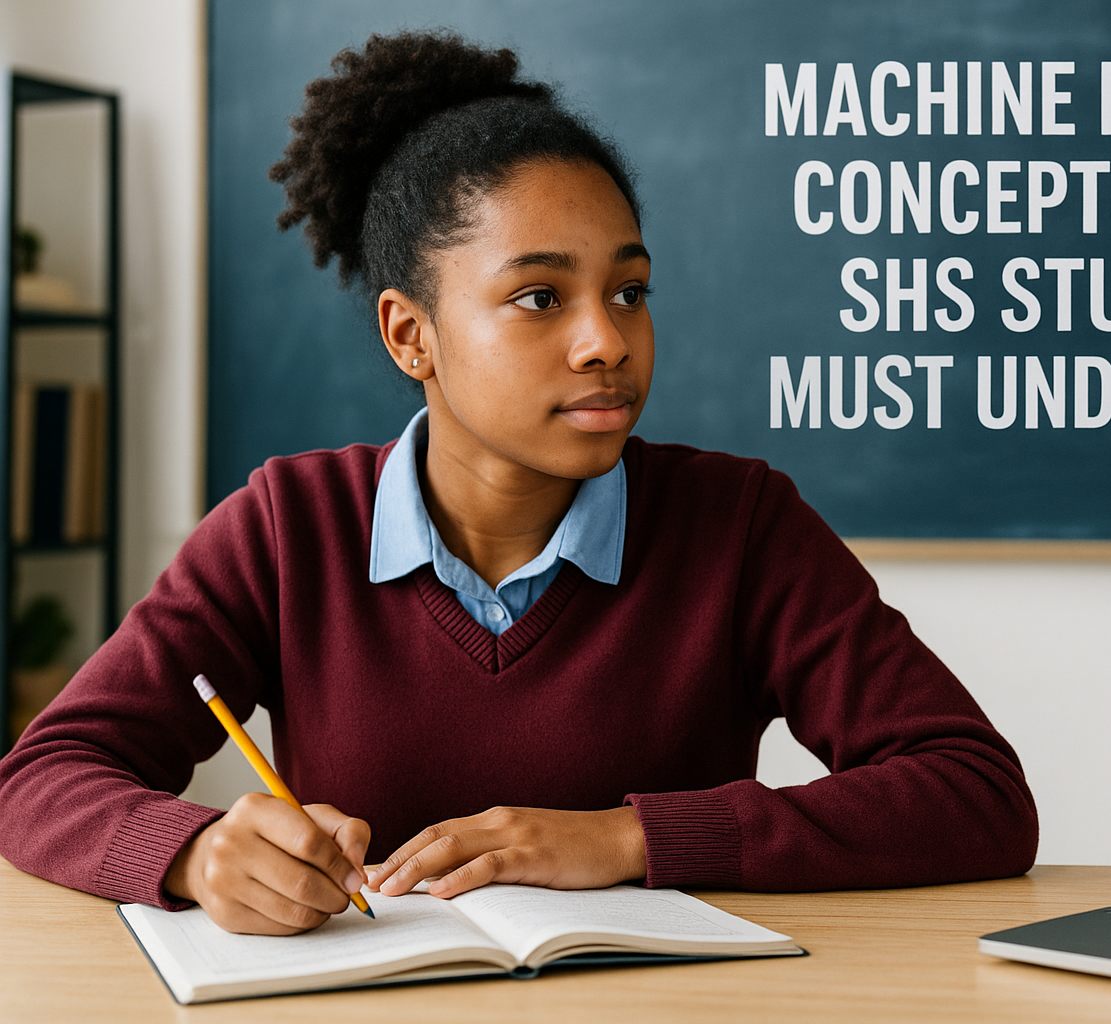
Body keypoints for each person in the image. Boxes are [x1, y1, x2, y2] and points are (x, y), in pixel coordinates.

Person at [0, 31, 1037, 936]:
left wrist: (630, 837)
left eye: (628, 291)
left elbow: (975, 794)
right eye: (540, 296)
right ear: (412, 334)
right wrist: (192, 851)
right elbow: (42, 778)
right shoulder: (287, 528)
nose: (607, 341)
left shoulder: (741, 525)